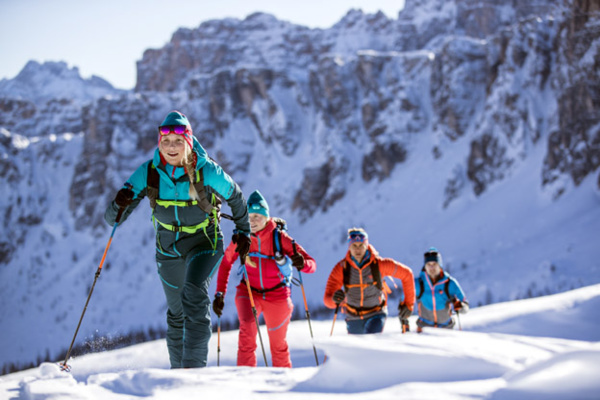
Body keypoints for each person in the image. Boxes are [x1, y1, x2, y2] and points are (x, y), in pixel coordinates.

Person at [104, 110, 251, 369]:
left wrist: (243, 230)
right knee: (176, 314)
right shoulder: (148, 173)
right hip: (168, 248)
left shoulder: (207, 171)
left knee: (194, 293)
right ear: (159, 143)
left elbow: (236, 196)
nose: (171, 148)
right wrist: (119, 204)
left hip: (204, 243)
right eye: (166, 142)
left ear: (189, 143)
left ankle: (193, 375)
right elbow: (112, 219)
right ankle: (177, 377)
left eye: (178, 142)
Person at [212, 190, 316, 367]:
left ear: (267, 218)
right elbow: (226, 263)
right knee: (247, 337)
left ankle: (283, 385)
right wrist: (219, 294)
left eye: (257, 216)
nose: (252, 221)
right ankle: (244, 384)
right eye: (249, 216)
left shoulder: (280, 238)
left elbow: (311, 265)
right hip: (249, 293)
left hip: (278, 296)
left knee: (278, 346)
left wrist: (301, 263)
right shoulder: (241, 238)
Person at [323, 228, 415, 334]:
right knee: (357, 349)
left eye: (361, 246)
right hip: (353, 317)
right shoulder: (341, 268)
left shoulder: (380, 264)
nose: (358, 250)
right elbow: (327, 300)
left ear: (366, 246)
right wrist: (335, 300)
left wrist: (409, 304)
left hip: (376, 314)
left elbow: (407, 274)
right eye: (354, 246)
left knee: (371, 340)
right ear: (349, 247)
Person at [414, 247, 469, 332]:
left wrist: (461, 306)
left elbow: (465, 306)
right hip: (424, 329)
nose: (431, 268)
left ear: (440, 266)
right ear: (425, 267)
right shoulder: (417, 284)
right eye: (429, 265)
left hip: (446, 329)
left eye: (434, 264)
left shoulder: (450, 283)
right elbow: (405, 302)